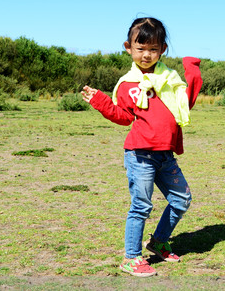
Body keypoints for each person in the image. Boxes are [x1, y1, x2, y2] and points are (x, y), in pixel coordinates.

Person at [81, 17, 202, 278]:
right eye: (140, 48)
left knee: (182, 200)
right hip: (140, 156)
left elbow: (184, 103)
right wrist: (100, 100)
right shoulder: (128, 84)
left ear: (163, 50)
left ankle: (158, 242)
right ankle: (131, 257)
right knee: (141, 206)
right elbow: (123, 116)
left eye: (153, 49)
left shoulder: (170, 79)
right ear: (128, 47)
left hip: (165, 155)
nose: (146, 54)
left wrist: (192, 73)